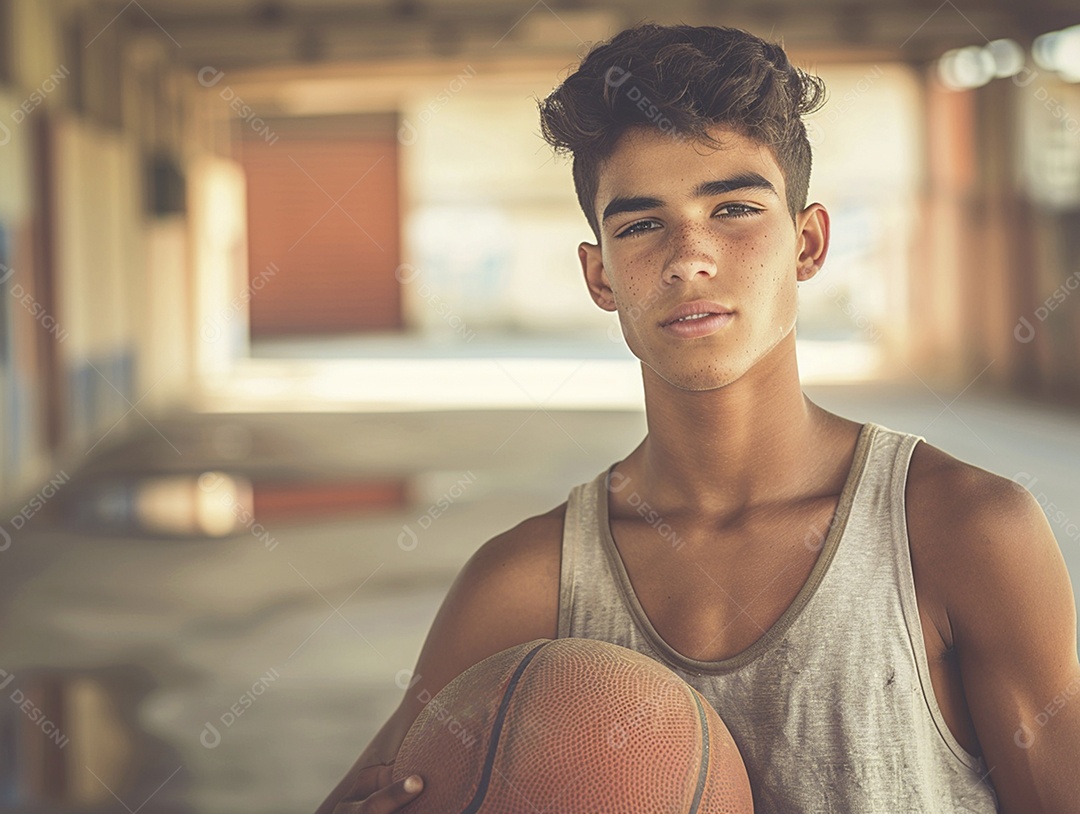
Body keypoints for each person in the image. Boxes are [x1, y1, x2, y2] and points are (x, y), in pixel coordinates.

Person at [316, 23, 1080, 814]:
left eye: (736, 209)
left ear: (808, 243)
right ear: (599, 275)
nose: (689, 256)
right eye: (642, 225)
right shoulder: (525, 585)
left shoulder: (965, 533)